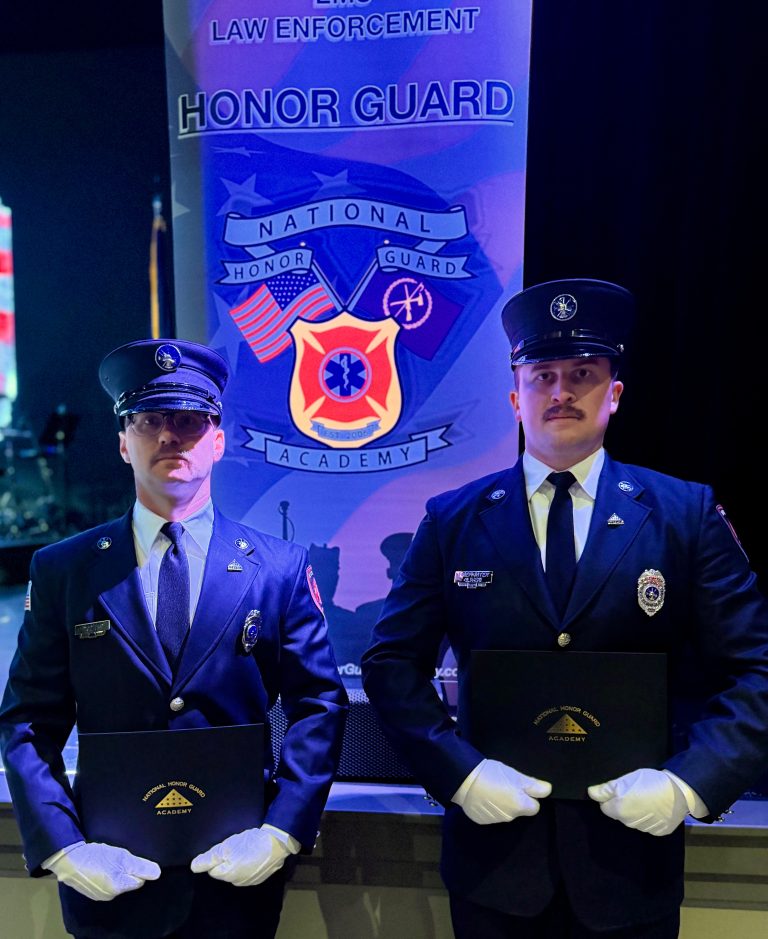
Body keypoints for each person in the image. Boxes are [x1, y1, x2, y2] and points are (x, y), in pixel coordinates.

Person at [361, 278, 768, 938]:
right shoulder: (453, 519)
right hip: (494, 871)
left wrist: (688, 784)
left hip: (631, 867)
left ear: (614, 392)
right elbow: (389, 665)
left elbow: (757, 670)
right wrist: (459, 775)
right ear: (514, 395)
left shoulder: (682, 515)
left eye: (582, 373)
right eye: (542, 373)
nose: (560, 391)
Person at [0, 338, 349, 939]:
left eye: (188, 421)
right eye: (148, 420)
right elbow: (28, 722)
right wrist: (63, 848)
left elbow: (318, 705)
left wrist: (282, 831)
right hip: (110, 870)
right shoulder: (65, 571)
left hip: (236, 876)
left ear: (218, 439)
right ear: (122, 441)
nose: (169, 436)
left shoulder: (279, 567)